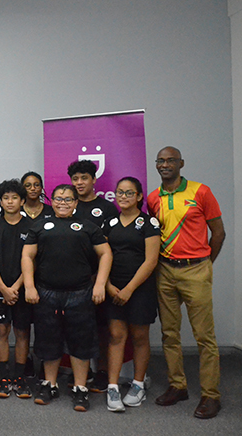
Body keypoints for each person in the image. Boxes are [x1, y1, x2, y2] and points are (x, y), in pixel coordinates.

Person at [147, 146, 225, 419]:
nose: (165, 164)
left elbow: (218, 232)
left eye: (171, 160)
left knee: (204, 337)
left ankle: (210, 395)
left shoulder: (200, 192)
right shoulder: (153, 197)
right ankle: (178, 386)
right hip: (165, 271)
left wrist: (205, 263)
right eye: (161, 160)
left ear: (181, 163)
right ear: (156, 165)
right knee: (170, 333)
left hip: (196, 271)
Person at [22, 184, 112, 412]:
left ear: (75, 203)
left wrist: (100, 284)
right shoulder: (39, 226)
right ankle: (49, 384)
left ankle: (80, 388)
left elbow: (105, 254)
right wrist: (29, 286)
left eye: (68, 199)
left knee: (80, 341)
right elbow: (27, 255)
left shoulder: (88, 227)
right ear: (52, 201)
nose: (63, 202)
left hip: (80, 293)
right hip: (46, 292)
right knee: (48, 340)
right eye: (59, 199)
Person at [103, 176, 160, 412]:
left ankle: (138, 384)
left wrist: (129, 289)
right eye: (119, 192)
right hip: (113, 287)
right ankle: (113, 387)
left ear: (139, 196)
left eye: (129, 193)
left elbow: (151, 261)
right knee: (116, 335)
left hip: (140, 288)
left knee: (139, 336)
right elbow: (101, 256)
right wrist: (107, 286)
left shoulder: (149, 224)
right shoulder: (109, 223)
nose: (123, 197)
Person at [68, 159, 119, 392]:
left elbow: (109, 248)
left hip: (98, 279)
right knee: (76, 327)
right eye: (75, 179)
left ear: (94, 180)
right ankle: (82, 371)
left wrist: (100, 277)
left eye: (84, 178)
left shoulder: (107, 208)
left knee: (101, 327)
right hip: (73, 280)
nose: (79, 183)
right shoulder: (68, 205)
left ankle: (102, 372)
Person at [0, 179, 34, 399]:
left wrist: (16, 287)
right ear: (0, 201)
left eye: (14, 197)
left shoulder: (32, 227)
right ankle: (4, 378)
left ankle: (20, 378)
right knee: (2, 331)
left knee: (22, 332)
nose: (10, 201)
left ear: (22, 201)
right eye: (5, 198)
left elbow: (33, 260)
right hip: (0, 290)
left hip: (23, 289)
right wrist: (3, 288)